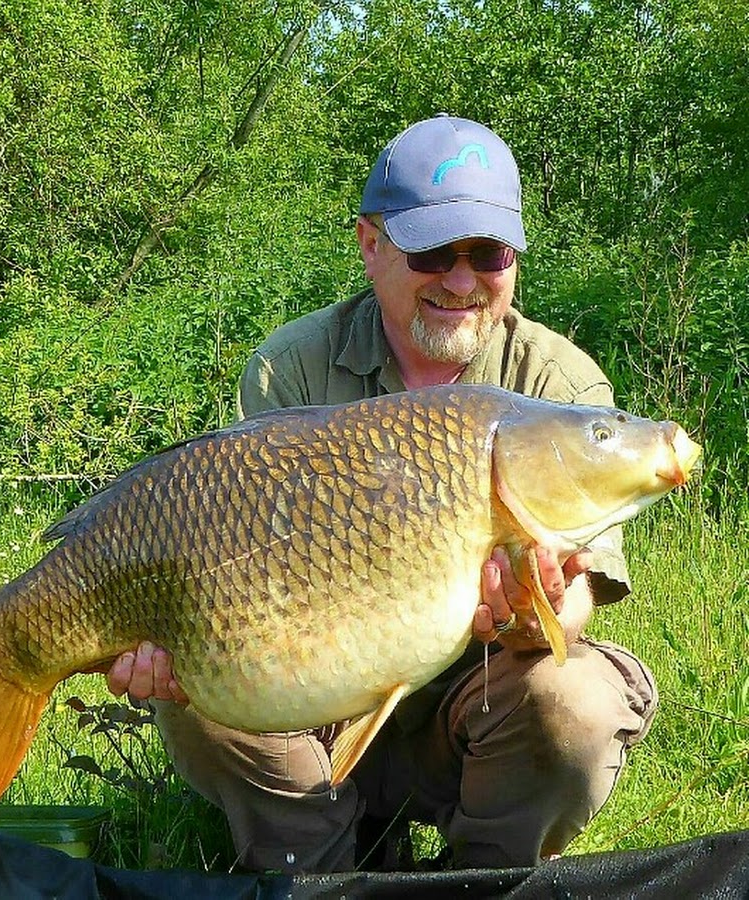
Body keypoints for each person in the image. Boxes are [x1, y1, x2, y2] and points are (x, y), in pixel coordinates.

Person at [106, 114, 658, 873]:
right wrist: (173, 643)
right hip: (313, 703)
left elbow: (581, 601)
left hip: (473, 711)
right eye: (433, 251)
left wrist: (538, 610)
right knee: (200, 690)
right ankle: (322, 871)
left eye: (488, 253)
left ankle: (485, 880)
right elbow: (232, 559)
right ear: (372, 245)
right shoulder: (293, 368)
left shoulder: (558, 387)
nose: (461, 281)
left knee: (580, 703)